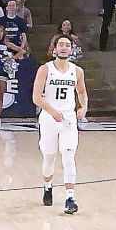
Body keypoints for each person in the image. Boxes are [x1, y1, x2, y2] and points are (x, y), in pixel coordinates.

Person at [33, 33, 87, 215]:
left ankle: (70, 197)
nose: (64, 47)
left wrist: (84, 107)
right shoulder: (45, 69)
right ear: (54, 49)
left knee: (68, 156)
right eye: (61, 44)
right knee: (49, 157)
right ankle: (48, 186)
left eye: (67, 44)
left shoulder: (77, 71)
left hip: (68, 118)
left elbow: (81, 92)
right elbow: (36, 97)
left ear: (71, 49)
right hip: (49, 117)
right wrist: (52, 111)